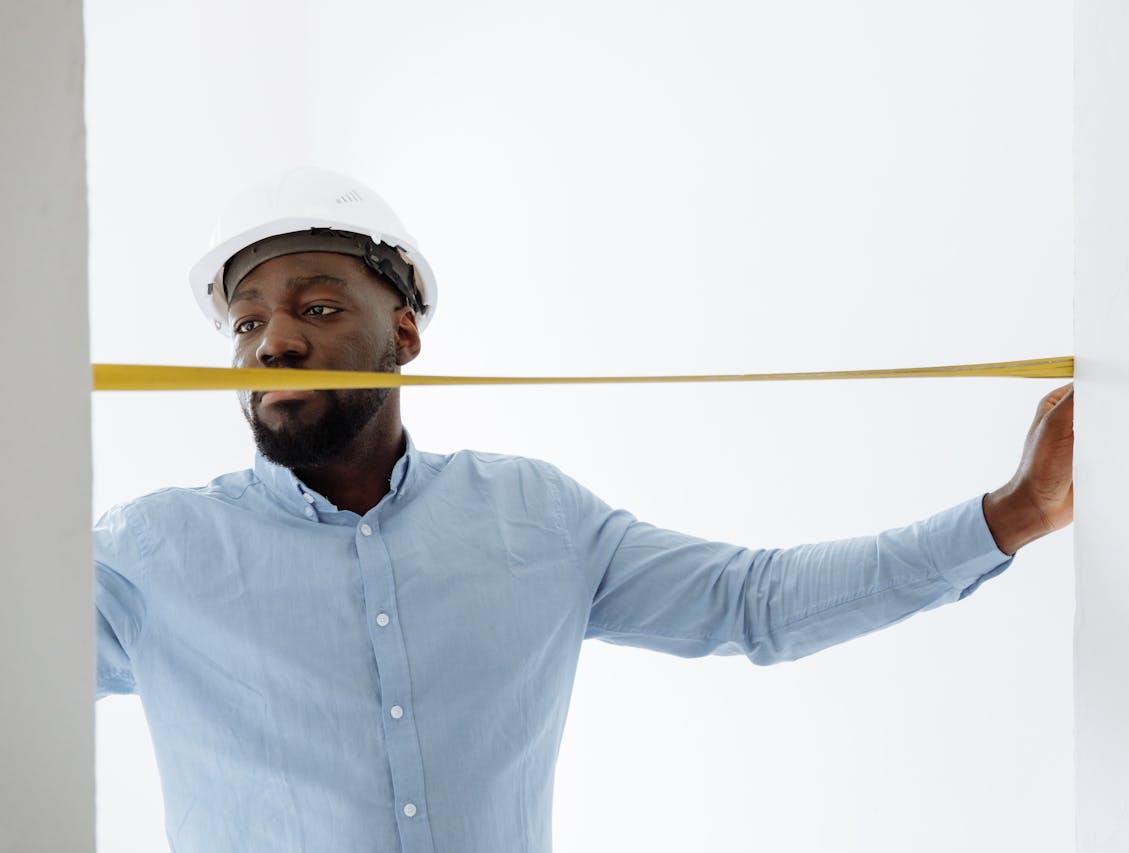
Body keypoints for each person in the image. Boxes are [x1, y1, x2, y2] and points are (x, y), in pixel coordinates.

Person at [95, 167, 1075, 853]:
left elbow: (756, 601)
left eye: (316, 307)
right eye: (247, 321)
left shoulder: (534, 519)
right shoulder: (146, 556)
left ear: (403, 332)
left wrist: (1014, 512)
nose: (273, 341)